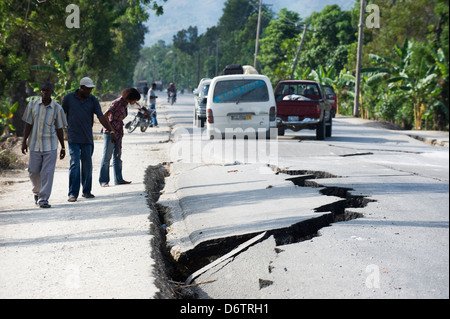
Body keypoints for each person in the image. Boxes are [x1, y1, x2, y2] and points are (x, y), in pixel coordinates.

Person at [62, 77, 116, 202]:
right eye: (88, 89)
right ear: (81, 87)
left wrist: (111, 130)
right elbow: (61, 114)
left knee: (87, 165)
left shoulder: (93, 100)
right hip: (73, 137)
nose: (90, 91)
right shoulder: (69, 98)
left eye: (91, 89)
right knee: (75, 164)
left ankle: (86, 191)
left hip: (87, 138)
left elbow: (101, 117)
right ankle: (72, 193)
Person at [21, 82, 67, 208]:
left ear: (52, 92)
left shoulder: (57, 108)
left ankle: (43, 199)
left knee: (47, 173)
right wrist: (24, 141)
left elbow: (59, 129)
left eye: (47, 90)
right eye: (43, 90)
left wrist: (63, 147)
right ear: (40, 91)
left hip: (50, 145)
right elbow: (28, 124)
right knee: (33, 172)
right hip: (34, 144)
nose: (45, 92)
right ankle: (37, 191)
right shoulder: (32, 105)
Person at [99, 88, 141, 187]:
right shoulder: (117, 103)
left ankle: (119, 179)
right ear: (130, 97)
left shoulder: (125, 103)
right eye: (134, 99)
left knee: (117, 156)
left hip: (118, 131)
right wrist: (111, 131)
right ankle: (104, 181)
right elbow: (105, 116)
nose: (135, 102)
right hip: (110, 132)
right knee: (107, 157)